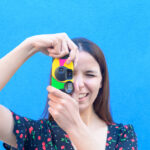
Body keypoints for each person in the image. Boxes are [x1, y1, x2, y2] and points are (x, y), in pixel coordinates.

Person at [0, 33, 137, 150]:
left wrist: (74, 126)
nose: (77, 85)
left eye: (89, 75)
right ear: (55, 78)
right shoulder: (37, 134)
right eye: (70, 74)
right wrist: (30, 45)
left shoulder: (122, 135)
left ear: (102, 81)